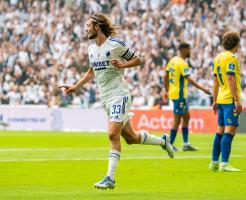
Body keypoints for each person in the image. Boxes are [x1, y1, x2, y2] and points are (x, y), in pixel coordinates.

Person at [60, 13, 174, 190]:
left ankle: (110, 178)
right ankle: (163, 141)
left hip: (119, 94)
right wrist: (76, 86)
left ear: (97, 27)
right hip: (106, 98)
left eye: (88, 26)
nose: (85, 29)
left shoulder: (115, 44)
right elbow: (91, 72)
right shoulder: (91, 49)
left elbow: (138, 60)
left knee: (112, 134)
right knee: (131, 138)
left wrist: (123, 65)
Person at [163, 43, 211, 152]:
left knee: (186, 116)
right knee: (177, 119)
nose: (190, 51)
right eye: (189, 49)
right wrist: (203, 89)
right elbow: (189, 79)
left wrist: (166, 90)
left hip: (175, 93)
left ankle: (185, 144)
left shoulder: (173, 60)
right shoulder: (182, 63)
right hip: (179, 95)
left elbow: (165, 76)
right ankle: (169, 144)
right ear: (183, 50)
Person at [209, 31, 242, 172]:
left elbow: (216, 81)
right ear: (236, 44)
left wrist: (214, 100)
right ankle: (224, 164)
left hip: (221, 98)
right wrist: (237, 100)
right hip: (229, 99)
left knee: (220, 131)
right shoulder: (232, 57)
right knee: (230, 131)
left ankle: (214, 163)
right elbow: (230, 78)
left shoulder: (218, 57)